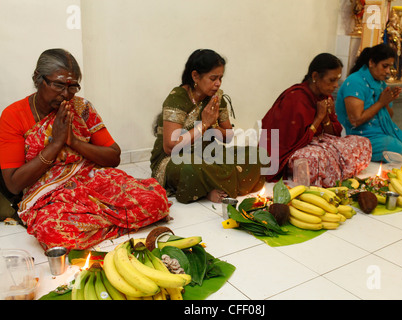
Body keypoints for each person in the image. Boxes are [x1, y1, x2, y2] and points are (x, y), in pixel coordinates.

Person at [0, 49, 170, 251]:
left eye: (73, 87)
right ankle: (121, 222)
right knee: (51, 233)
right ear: (38, 79)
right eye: (59, 85)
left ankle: (95, 227)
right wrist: (55, 144)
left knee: (156, 200)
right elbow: (13, 184)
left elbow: (113, 157)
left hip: (92, 180)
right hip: (49, 193)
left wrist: (74, 141)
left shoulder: (81, 108)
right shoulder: (13, 115)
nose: (66, 94)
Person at [150, 49, 265, 204]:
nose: (218, 83)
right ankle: (207, 191)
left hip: (208, 153)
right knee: (192, 168)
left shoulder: (216, 98)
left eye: (220, 78)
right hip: (174, 158)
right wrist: (203, 125)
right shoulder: (177, 97)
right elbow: (170, 146)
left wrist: (213, 128)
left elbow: (229, 136)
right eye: (213, 78)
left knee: (256, 154)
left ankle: (209, 185)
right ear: (195, 76)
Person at [260, 53, 371, 187]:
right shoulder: (295, 98)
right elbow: (292, 143)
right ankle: (327, 173)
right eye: (331, 80)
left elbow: (334, 135)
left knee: (362, 142)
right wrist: (318, 118)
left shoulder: (325, 97)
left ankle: (331, 171)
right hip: (292, 151)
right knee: (312, 159)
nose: (336, 85)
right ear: (314, 77)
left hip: (318, 143)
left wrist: (325, 119)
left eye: (337, 80)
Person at [335, 43, 402, 162]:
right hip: (358, 135)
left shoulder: (380, 83)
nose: (388, 71)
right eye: (385, 66)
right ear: (372, 63)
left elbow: (389, 116)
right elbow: (355, 120)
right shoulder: (355, 82)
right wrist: (381, 102)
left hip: (381, 132)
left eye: (390, 67)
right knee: (397, 149)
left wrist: (387, 101)